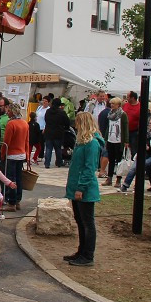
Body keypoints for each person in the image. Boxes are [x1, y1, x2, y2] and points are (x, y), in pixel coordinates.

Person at [64, 111, 103, 267]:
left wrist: (81, 187)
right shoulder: (81, 141)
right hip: (75, 187)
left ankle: (88, 255)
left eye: (78, 123)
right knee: (80, 221)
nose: (76, 125)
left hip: (85, 189)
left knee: (88, 222)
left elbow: (89, 168)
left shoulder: (92, 143)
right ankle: (81, 251)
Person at [121, 117, 151, 192]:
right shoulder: (145, 133)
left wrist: (149, 148)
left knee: (142, 165)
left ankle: (138, 185)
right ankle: (125, 185)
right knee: (134, 167)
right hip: (142, 154)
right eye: (150, 123)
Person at [2, 104, 29, 211]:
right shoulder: (25, 123)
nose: (7, 112)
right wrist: (27, 154)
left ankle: (11, 202)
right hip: (21, 154)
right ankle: (17, 200)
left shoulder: (11, 124)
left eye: (8, 111)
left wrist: (3, 154)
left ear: (12, 112)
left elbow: (6, 142)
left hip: (11, 154)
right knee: (19, 178)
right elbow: (27, 140)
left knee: (10, 179)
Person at [101, 97, 129, 187]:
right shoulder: (110, 114)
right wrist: (106, 138)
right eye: (111, 103)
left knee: (119, 160)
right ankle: (109, 178)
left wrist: (126, 141)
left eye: (114, 104)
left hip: (119, 140)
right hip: (110, 139)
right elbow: (108, 127)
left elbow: (125, 128)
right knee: (111, 159)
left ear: (118, 105)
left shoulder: (123, 115)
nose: (112, 105)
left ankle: (118, 179)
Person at [42, 98, 71, 168]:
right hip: (58, 132)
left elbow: (46, 120)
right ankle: (59, 162)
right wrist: (65, 128)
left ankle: (47, 163)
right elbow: (67, 122)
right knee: (58, 148)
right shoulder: (62, 112)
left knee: (48, 148)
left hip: (49, 132)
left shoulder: (48, 111)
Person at [122, 91, 142, 161]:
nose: (127, 98)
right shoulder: (125, 105)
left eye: (128, 97)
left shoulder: (140, 107)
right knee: (123, 148)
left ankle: (134, 163)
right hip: (124, 131)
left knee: (134, 148)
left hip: (134, 131)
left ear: (132, 98)